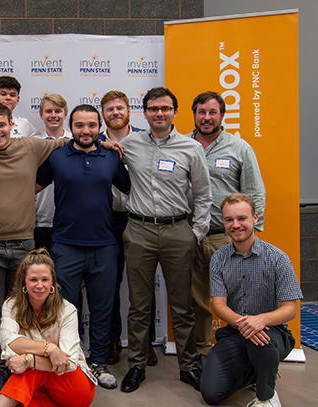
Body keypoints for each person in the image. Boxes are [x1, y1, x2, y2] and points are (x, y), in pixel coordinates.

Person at [0, 102, 69, 398]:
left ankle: (21, 365)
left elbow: (70, 141)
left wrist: (106, 143)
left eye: (1, 125)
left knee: (25, 313)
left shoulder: (32, 146)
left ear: (12, 122)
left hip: (25, 243)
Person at [120, 87, 211, 393]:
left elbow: (202, 195)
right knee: (139, 304)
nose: (159, 113)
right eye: (153, 108)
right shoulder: (129, 144)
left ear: (175, 112)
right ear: (144, 112)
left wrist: (195, 234)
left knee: (182, 304)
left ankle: (188, 366)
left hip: (177, 231)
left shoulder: (191, 148)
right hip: (139, 231)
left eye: (165, 108)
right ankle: (136, 365)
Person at [36, 104, 130, 389]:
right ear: (71, 126)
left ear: (99, 127)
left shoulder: (112, 157)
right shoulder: (57, 157)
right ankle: (73, 360)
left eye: (91, 125)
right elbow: (29, 187)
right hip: (65, 245)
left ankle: (98, 362)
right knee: (66, 309)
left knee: (103, 308)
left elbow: (128, 189)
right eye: (79, 125)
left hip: (104, 245)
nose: (85, 130)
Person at [201, 193, 302, 406]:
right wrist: (245, 323)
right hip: (235, 331)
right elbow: (219, 305)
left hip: (272, 332)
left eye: (242, 218)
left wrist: (261, 320)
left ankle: (266, 396)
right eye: (229, 220)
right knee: (211, 394)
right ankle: (261, 370)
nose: (235, 225)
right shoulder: (219, 259)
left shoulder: (278, 258)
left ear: (255, 218)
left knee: (260, 342)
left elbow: (290, 310)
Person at [187, 91, 266, 358]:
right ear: (194, 114)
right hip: (192, 234)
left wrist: (249, 236)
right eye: (201, 112)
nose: (206, 118)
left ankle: (245, 350)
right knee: (197, 299)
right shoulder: (183, 145)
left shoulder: (239, 148)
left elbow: (254, 192)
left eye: (212, 112)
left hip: (228, 237)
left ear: (222, 115)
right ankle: (201, 351)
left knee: (240, 296)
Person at [0, 248, 97, 407]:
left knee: (31, 368)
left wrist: (30, 360)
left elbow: (69, 363)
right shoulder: (11, 305)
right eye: (33, 279)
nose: (39, 285)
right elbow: (9, 344)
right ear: (24, 283)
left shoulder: (66, 310)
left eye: (45, 279)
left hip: (75, 389)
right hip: (43, 392)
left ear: (52, 283)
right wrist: (51, 349)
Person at [98, 90, 158, 367]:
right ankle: (112, 341)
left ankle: (144, 343)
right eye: (109, 109)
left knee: (142, 285)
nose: (115, 113)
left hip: (138, 219)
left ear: (129, 110)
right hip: (105, 222)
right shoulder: (93, 142)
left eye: (120, 108)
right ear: (103, 113)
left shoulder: (146, 141)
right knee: (108, 285)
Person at [34, 93, 72, 252]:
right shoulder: (33, 143)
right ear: (41, 115)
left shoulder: (76, 143)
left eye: (58, 111)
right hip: (40, 221)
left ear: (65, 114)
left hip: (70, 221)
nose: (53, 115)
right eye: (49, 111)